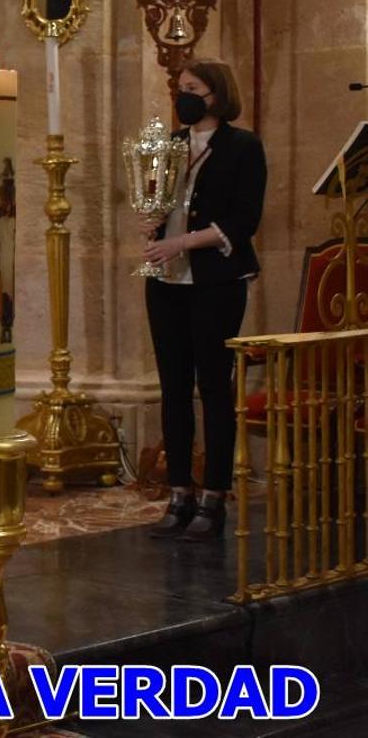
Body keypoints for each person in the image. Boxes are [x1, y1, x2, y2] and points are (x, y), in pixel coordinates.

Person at [141, 59, 266, 542]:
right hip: (166, 281)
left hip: (215, 280)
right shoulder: (171, 145)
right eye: (179, 89)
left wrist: (182, 242)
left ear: (216, 94)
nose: (182, 96)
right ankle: (179, 494)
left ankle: (214, 498)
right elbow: (160, 200)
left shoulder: (243, 147)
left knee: (213, 385)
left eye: (191, 89)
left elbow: (243, 220)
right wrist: (151, 223)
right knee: (172, 386)